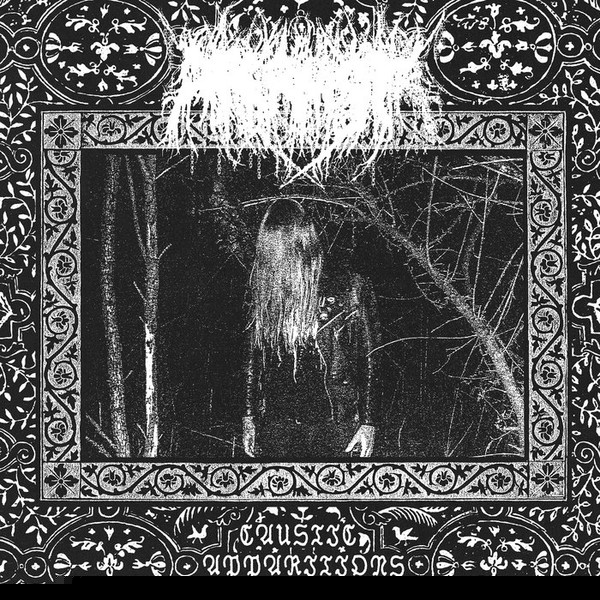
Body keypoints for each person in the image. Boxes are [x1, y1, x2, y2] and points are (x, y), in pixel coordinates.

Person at [242, 198, 380, 460]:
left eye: (279, 246)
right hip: (278, 424)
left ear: (301, 243)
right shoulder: (264, 288)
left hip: (336, 422)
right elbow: (253, 357)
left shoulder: (349, 287)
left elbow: (370, 357)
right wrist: (249, 416)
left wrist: (368, 421)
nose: (273, 257)